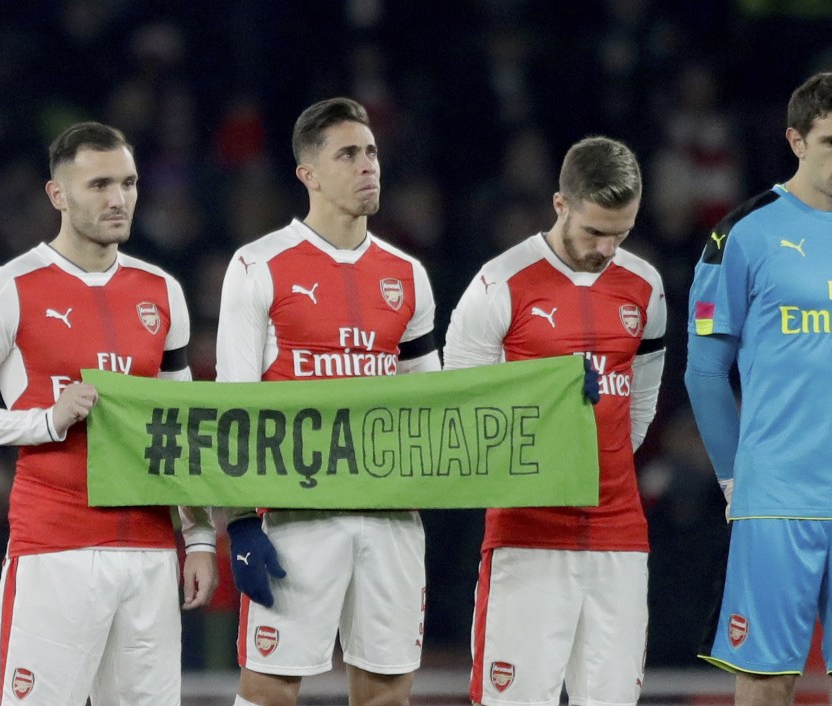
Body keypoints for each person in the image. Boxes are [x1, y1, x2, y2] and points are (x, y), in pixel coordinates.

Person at [0, 121, 217, 706]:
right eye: (100, 185)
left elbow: (181, 425)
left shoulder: (162, 291)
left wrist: (201, 537)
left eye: (129, 183)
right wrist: (44, 420)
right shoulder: (8, 289)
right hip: (54, 547)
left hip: (151, 553)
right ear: (58, 195)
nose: (119, 199)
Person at [215, 97, 441, 706]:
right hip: (296, 513)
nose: (368, 165)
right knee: (269, 688)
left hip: (391, 514)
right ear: (308, 174)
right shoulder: (257, 266)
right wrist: (237, 521)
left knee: (387, 692)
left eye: (371, 152)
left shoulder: (408, 275)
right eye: (348, 154)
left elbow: (435, 401)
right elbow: (234, 405)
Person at [444, 136, 667, 706]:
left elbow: (638, 412)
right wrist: (553, 423)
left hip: (619, 535)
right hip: (527, 534)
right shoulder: (499, 284)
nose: (608, 246)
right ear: (560, 204)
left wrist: (594, 462)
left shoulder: (645, 287)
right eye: (595, 231)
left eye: (622, 230)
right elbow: (459, 415)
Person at [685, 71, 832, 706]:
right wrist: (731, 477)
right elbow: (705, 370)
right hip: (778, 495)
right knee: (769, 680)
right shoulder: (744, 233)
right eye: (831, 142)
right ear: (795, 141)